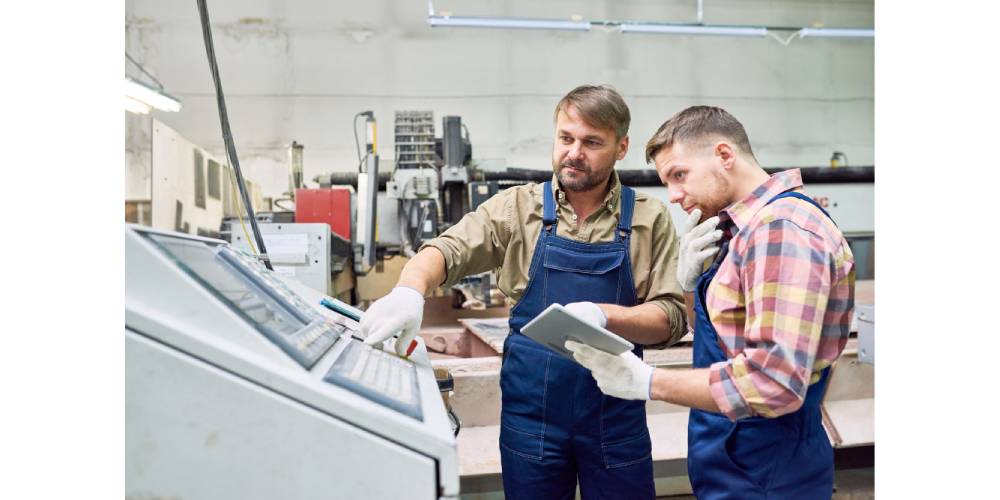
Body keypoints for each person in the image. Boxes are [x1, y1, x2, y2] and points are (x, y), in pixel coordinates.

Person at [360, 85, 687, 499]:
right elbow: (447, 250)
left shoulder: (648, 217)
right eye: (566, 138)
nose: (574, 152)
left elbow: (670, 318)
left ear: (621, 147)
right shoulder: (517, 209)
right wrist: (410, 290)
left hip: (615, 419)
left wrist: (604, 316)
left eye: (591, 142)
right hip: (533, 423)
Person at [566, 105, 856, 499]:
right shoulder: (742, 229)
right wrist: (688, 284)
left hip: (769, 468)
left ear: (724, 155)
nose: (673, 195)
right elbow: (724, 335)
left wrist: (647, 382)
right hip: (735, 458)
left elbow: (774, 383)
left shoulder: (780, 231)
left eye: (679, 175)